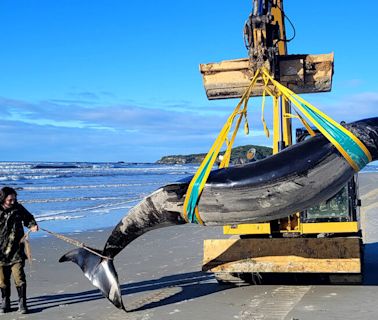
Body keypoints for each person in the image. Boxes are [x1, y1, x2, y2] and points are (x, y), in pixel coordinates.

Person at [0, 187, 38, 314]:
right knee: (2, 279)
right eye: (10, 199)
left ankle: (22, 303)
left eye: (14, 199)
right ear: (3, 198)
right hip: (0, 253)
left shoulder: (18, 208)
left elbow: (28, 218)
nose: (13, 201)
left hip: (17, 250)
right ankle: (5, 301)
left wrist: (32, 225)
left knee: (19, 277)